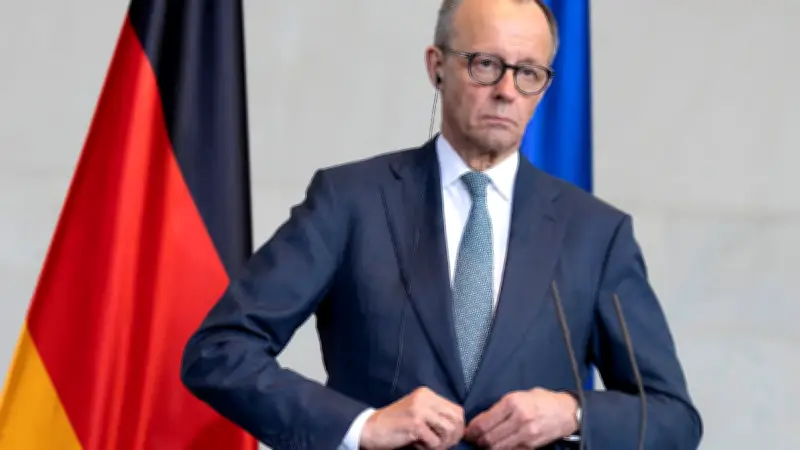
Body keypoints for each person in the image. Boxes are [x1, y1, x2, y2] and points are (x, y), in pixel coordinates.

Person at [180, 0, 703, 448]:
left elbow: (672, 416)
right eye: (485, 64)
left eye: (528, 72)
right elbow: (219, 351)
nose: (506, 90)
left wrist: (574, 412)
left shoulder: (595, 233)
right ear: (437, 66)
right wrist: (362, 426)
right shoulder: (349, 200)